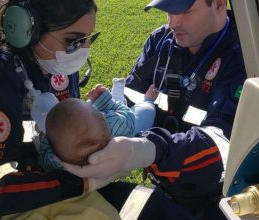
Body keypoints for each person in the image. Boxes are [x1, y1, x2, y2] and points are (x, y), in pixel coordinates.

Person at [64, 0, 247, 219]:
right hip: (164, 183)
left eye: (185, 11)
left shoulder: (243, 55)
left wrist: (146, 150)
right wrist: (105, 117)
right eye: (167, 11)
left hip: (218, 196)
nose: (173, 22)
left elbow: (222, 144)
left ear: (218, 4)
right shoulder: (161, 41)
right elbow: (129, 100)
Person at [0, 0, 116, 218]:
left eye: (88, 39)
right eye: (74, 41)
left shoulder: (50, 63)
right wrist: (79, 182)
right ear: (28, 30)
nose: (85, 50)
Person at [39, 83, 158, 170]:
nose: (100, 112)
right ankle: (149, 99)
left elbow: (44, 152)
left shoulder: (56, 160)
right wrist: (105, 102)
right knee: (147, 110)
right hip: (131, 132)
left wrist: (48, 138)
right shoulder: (114, 125)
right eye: (98, 113)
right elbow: (127, 115)